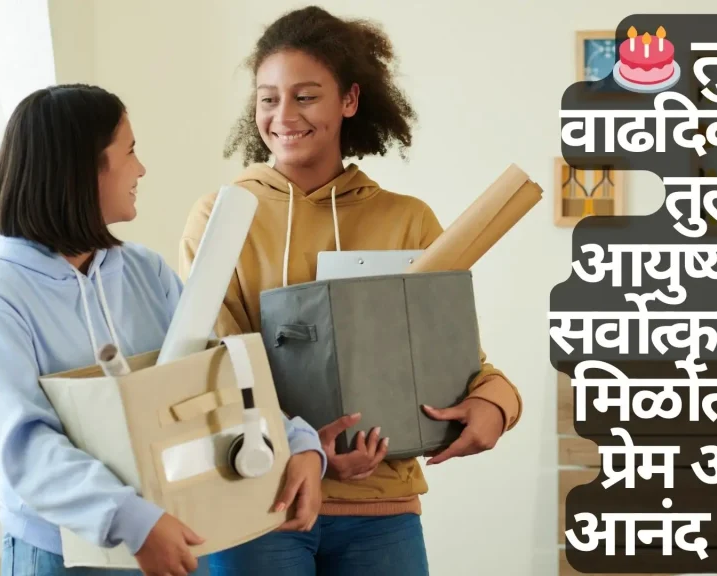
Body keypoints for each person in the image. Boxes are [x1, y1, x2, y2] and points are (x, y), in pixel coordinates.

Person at [179, 7, 523, 575]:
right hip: (260, 505)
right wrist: (307, 451)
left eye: (305, 97)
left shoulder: (409, 220)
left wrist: (497, 404)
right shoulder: (221, 216)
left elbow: (453, 360)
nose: (283, 116)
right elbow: (215, 364)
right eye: (268, 99)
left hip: (381, 512)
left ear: (349, 100)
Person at [0, 84, 327, 576]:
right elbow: (25, 445)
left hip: (168, 536)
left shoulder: (144, 270)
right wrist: (132, 519)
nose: (141, 169)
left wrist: (298, 442)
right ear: (83, 168)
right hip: (62, 554)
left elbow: (214, 378)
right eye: (129, 152)